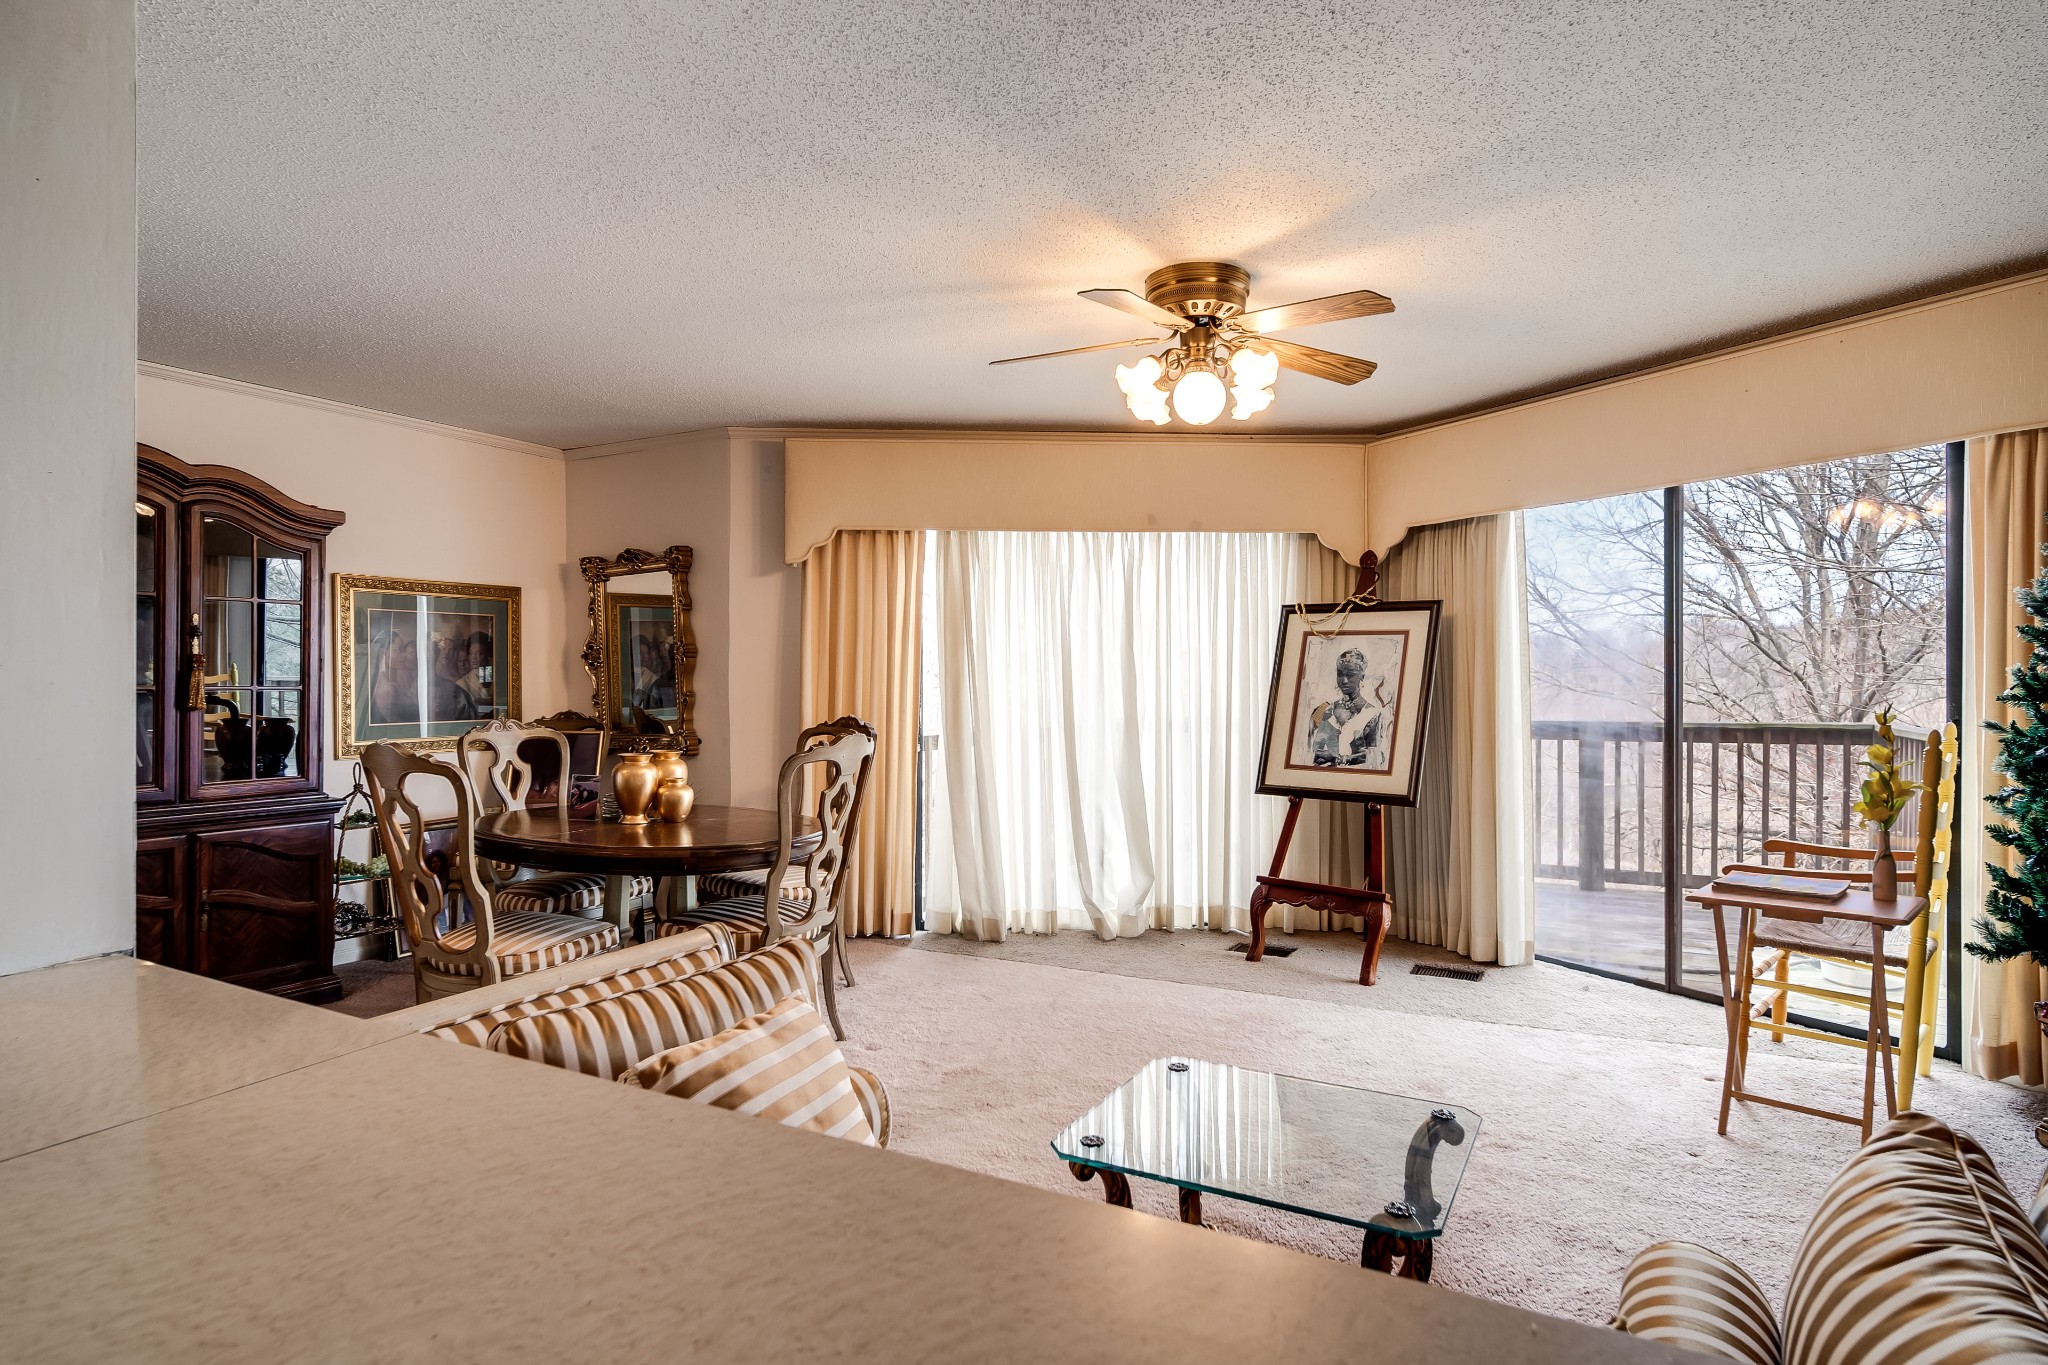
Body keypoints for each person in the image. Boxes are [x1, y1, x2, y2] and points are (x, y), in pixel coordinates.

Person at [1309, 647, 1390, 769]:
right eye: (1340, 674)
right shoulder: (1323, 709)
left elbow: (1373, 757)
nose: (1344, 680)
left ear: (1361, 677)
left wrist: (1341, 759)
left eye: (1350, 675)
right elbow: (1309, 750)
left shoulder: (1372, 714)